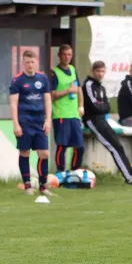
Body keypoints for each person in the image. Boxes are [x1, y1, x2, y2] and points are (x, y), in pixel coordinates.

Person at [82, 61, 132, 186]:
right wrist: (101, 106)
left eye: (102, 71)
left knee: (118, 147)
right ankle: (129, 177)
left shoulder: (101, 87)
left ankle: (131, 175)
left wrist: (101, 106)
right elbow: (94, 106)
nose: (100, 74)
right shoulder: (88, 85)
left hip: (102, 120)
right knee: (114, 147)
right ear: (92, 71)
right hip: (93, 120)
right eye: (98, 71)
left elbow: (107, 106)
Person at [10, 50, 53, 196]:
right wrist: (16, 124)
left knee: (44, 153)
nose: (30, 65)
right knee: (25, 152)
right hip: (24, 121)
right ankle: (27, 185)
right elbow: (14, 103)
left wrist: (48, 120)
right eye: (27, 62)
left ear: (37, 62)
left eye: (32, 62)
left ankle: (43, 186)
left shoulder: (43, 79)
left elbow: (47, 100)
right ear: (23, 63)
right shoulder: (17, 80)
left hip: (40, 122)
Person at [50, 44, 86, 183]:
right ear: (59, 55)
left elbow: (78, 89)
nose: (67, 57)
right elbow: (52, 95)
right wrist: (67, 91)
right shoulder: (54, 73)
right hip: (61, 115)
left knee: (80, 146)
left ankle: (75, 171)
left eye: (69, 54)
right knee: (62, 145)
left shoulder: (73, 69)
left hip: (74, 115)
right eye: (64, 54)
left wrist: (81, 106)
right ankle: (61, 172)